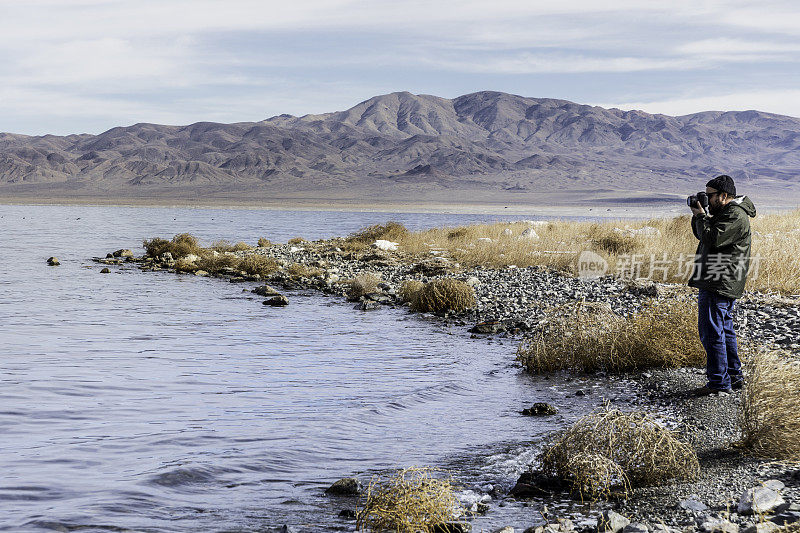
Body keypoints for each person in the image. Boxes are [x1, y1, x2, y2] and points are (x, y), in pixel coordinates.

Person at [688, 174, 757, 395]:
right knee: (724, 331)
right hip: (719, 280)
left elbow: (711, 239)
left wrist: (700, 215)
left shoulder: (735, 215)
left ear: (724, 196)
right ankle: (734, 378)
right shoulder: (727, 212)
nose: (707, 200)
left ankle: (719, 383)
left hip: (719, 282)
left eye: (710, 196)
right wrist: (701, 215)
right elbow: (704, 235)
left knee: (711, 333)